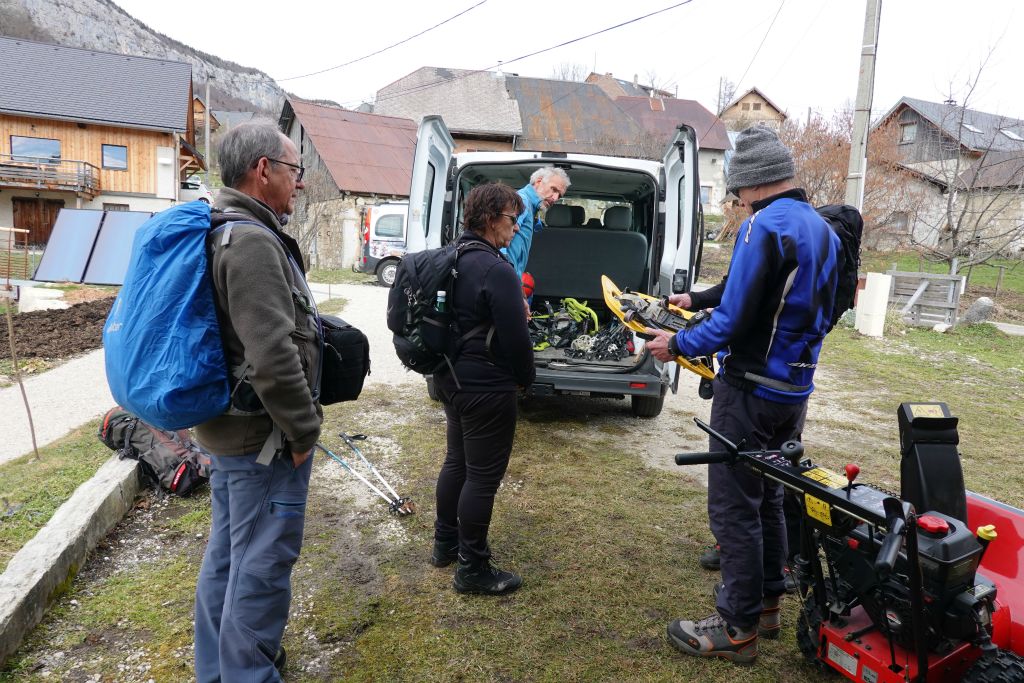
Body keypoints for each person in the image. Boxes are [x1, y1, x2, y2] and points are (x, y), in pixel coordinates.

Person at [646, 125, 839, 665]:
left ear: (749, 184)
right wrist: (695, 298)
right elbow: (756, 292)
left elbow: (732, 320)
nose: (733, 201)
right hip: (793, 389)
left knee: (734, 507)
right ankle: (768, 607)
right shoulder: (818, 226)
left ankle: (736, 627)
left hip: (749, 389)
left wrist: (676, 341)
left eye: (734, 192)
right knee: (771, 498)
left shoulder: (763, 224)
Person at [192, 120, 321, 682]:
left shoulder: (227, 228)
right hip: (263, 441)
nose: (299, 183)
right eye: (294, 171)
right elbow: (271, 354)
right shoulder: (249, 241)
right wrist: (303, 430)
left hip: (236, 436)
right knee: (261, 566)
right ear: (262, 169)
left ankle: (217, 671)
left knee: (229, 556)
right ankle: (247, 674)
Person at [430, 183, 536, 595]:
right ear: (491, 219)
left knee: (457, 461)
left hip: (450, 380)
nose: (515, 227)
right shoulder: (497, 269)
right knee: (482, 478)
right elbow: (516, 341)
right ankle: (472, 568)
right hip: (487, 388)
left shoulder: (450, 256)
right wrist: (526, 379)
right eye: (512, 219)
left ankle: (445, 545)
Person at [502, 166, 570, 312]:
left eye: (560, 194)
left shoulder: (531, 207)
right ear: (539, 181)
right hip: (505, 283)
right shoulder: (522, 202)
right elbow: (500, 245)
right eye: (554, 189)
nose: (556, 198)